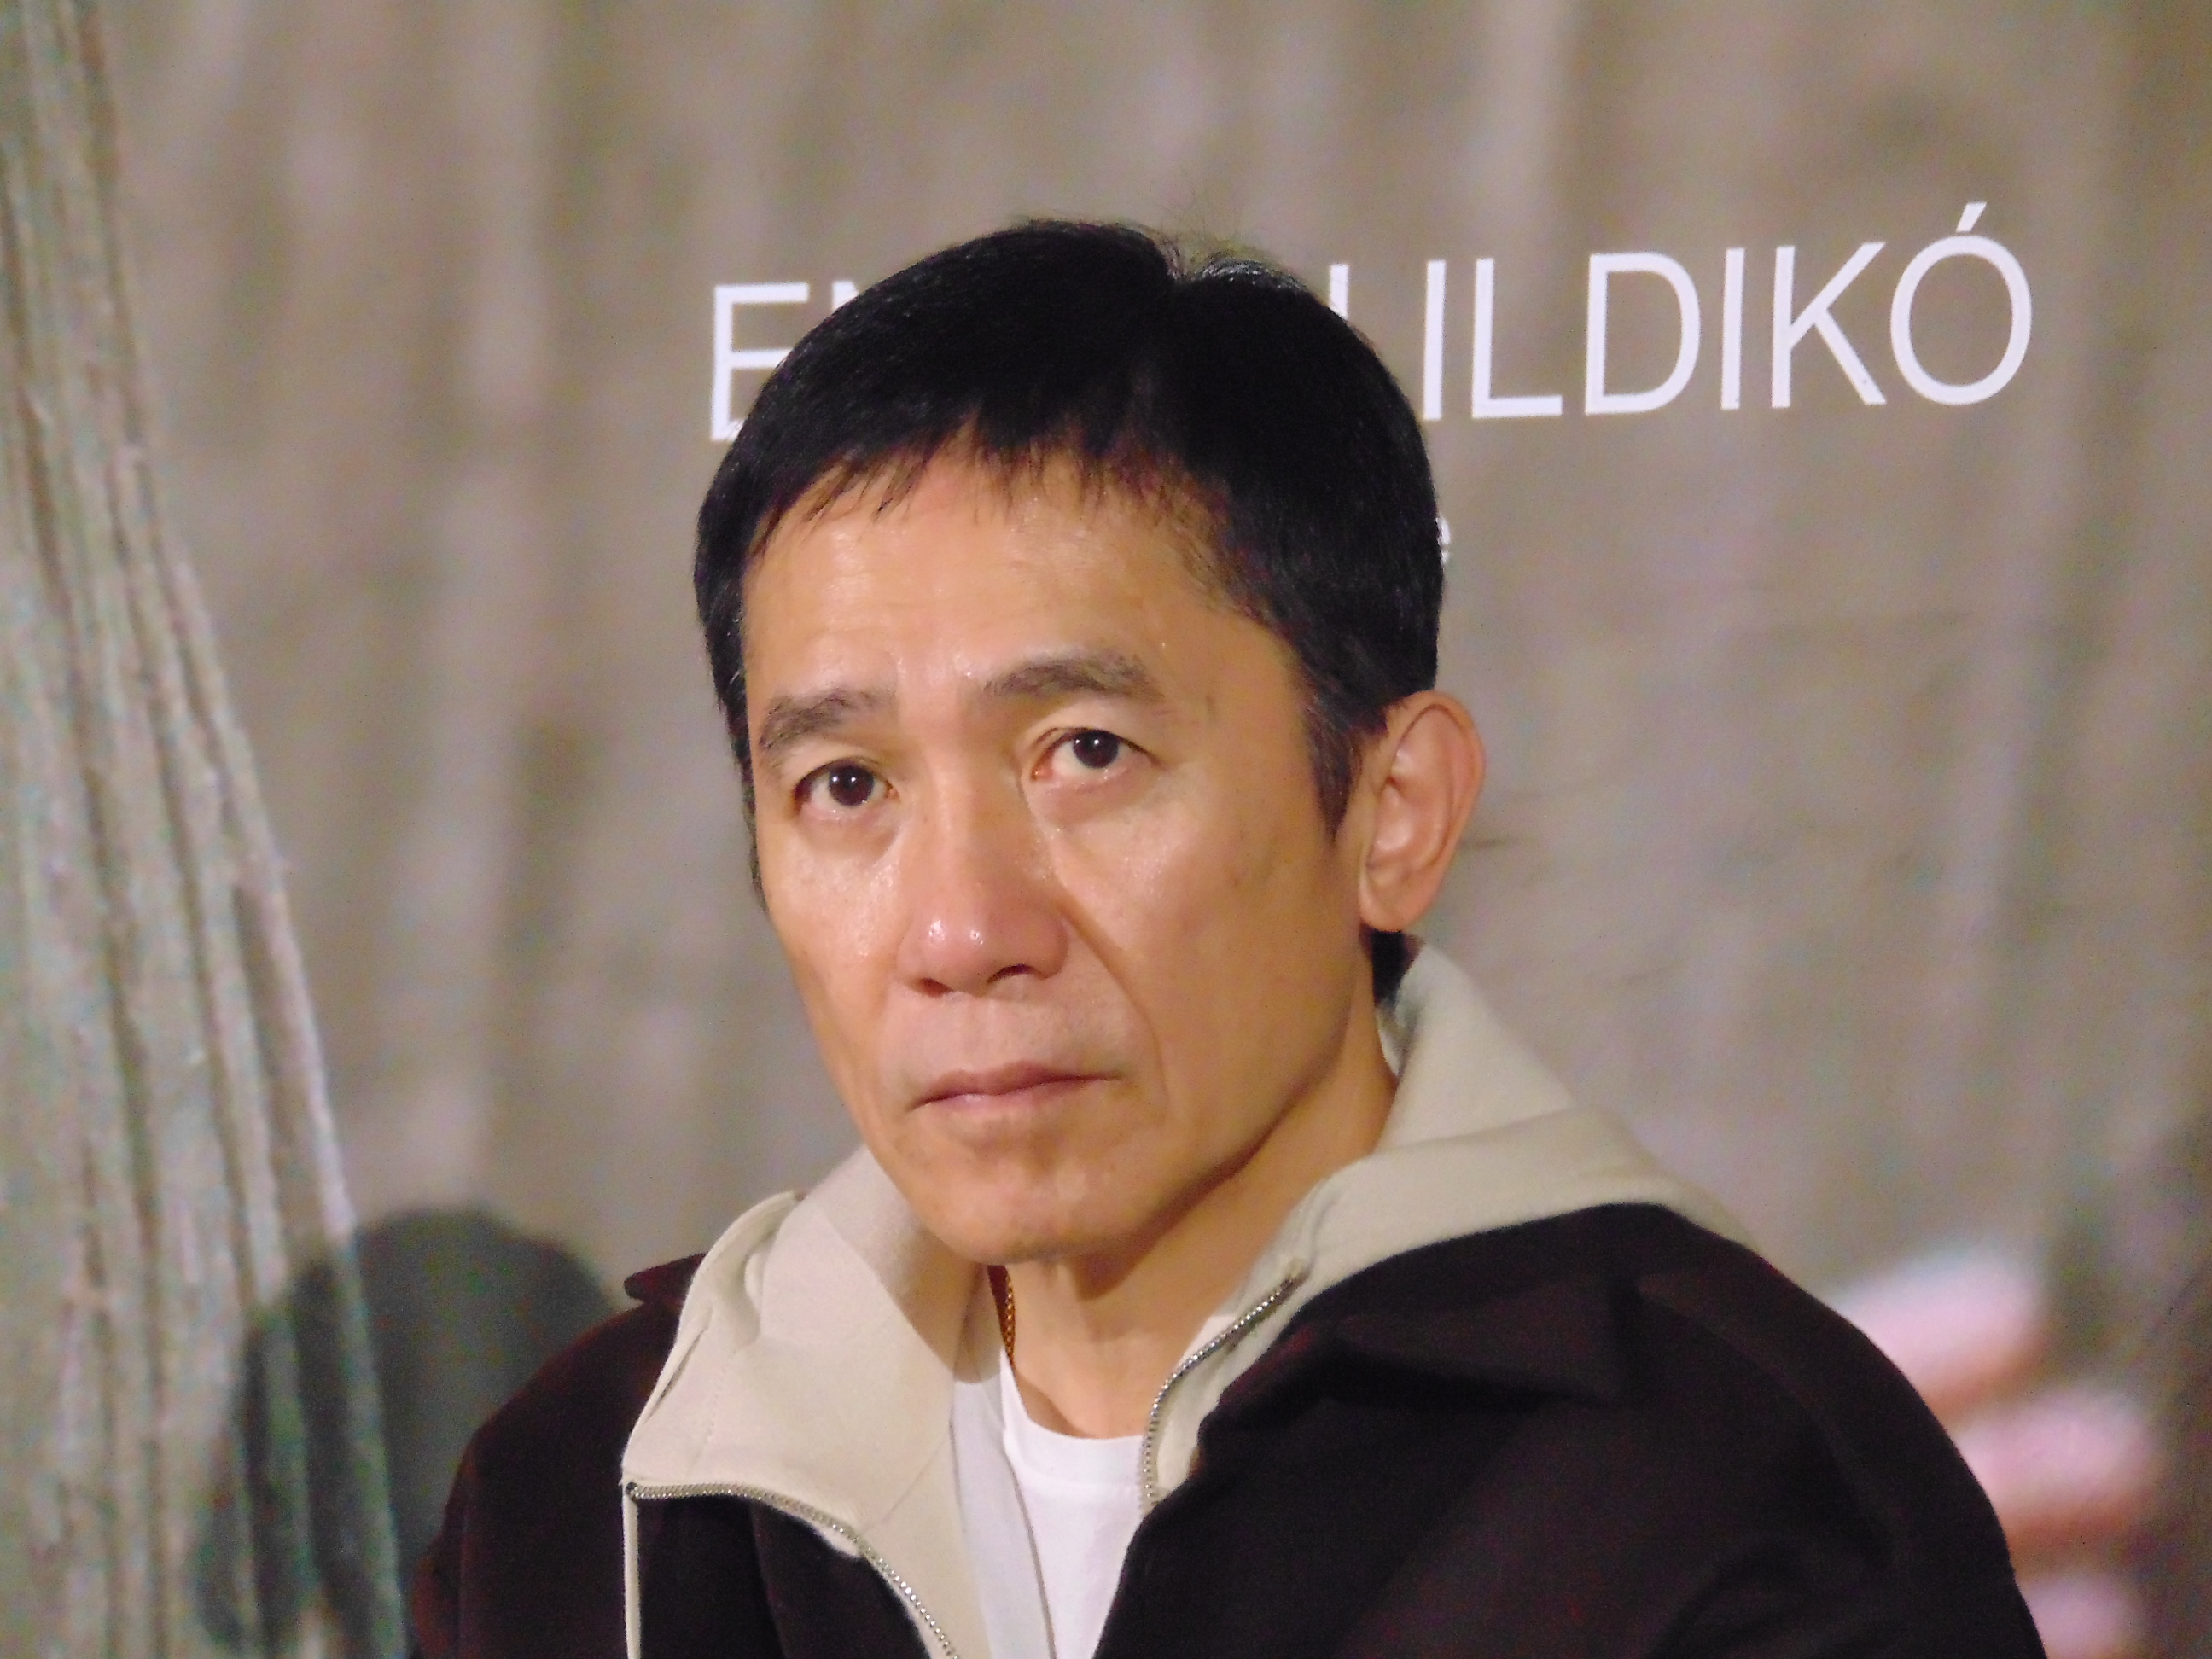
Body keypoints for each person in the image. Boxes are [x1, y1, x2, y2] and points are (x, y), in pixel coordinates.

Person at [410, 221, 2042, 1659]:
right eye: (846, 786)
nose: (962, 929)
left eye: (1087, 755)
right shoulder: (594, 1500)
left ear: (1393, 813)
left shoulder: (1734, 1488)